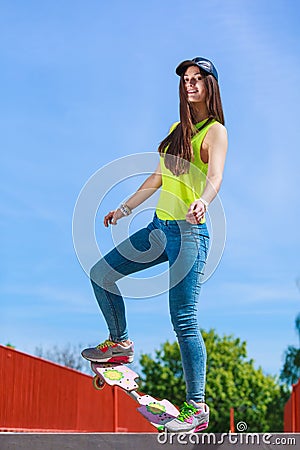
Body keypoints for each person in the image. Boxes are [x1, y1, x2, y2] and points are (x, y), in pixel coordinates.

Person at [81, 57, 228, 432]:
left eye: (197, 79)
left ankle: (197, 408)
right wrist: (125, 206)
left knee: (183, 319)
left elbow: (215, 175)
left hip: (190, 234)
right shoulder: (177, 128)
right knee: (101, 274)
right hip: (157, 229)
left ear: (210, 86)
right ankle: (119, 344)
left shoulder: (215, 132)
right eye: (186, 80)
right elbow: (158, 175)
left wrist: (204, 201)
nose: (190, 84)